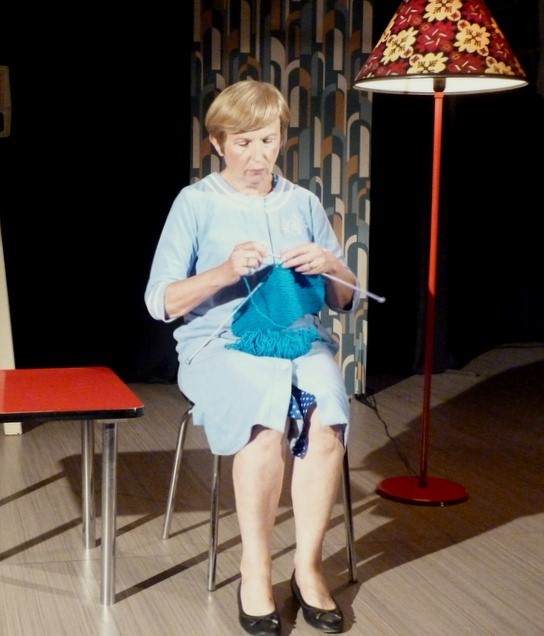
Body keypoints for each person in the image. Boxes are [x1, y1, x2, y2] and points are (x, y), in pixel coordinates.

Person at [144, 79, 360, 635]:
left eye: (267, 140)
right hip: (220, 344)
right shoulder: (195, 203)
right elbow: (160, 302)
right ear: (218, 143)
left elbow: (342, 300)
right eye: (242, 143)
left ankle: (307, 569)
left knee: (326, 421)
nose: (257, 157)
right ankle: (255, 570)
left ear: (281, 139)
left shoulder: (302, 203)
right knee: (266, 425)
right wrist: (223, 272)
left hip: (299, 339)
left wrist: (330, 266)